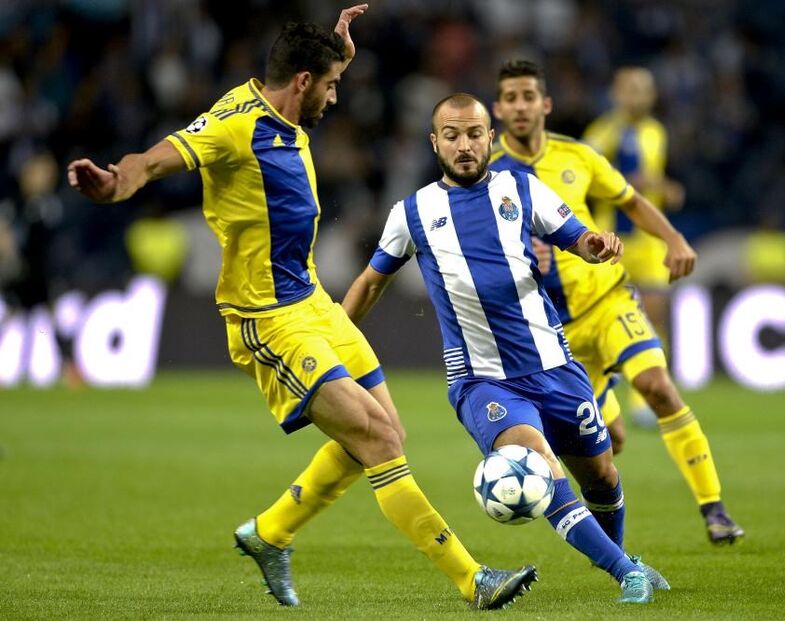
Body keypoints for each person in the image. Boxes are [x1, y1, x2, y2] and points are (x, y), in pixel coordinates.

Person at [66, 8, 538, 611]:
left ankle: (270, 532)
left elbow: (319, 74)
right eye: (332, 85)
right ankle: (474, 581)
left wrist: (339, 52)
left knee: (387, 430)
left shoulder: (282, 102)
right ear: (303, 83)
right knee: (376, 439)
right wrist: (116, 184)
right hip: (267, 317)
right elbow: (155, 159)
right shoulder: (234, 128)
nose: (337, 97)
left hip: (315, 302)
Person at [342, 92, 670, 605]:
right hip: (483, 380)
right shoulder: (413, 212)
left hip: (555, 366)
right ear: (435, 143)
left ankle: (620, 557)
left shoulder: (521, 188)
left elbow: (577, 235)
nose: (464, 145)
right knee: (539, 463)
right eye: (451, 135)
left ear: (490, 138)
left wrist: (597, 246)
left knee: (602, 474)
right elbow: (369, 282)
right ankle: (627, 573)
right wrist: (339, 335)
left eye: (474, 134)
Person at [489, 60, 744, 545]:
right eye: (510, 98)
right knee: (610, 446)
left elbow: (628, 199)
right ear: (499, 108)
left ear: (545, 104)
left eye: (528, 96)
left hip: (606, 298)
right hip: (555, 332)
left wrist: (674, 239)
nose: (520, 106)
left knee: (657, 385)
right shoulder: (488, 173)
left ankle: (715, 509)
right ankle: (614, 551)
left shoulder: (579, 156)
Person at [582, 67, 684, 428]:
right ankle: (598, 394)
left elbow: (652, 182)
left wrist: (666, 188)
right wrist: (627, 182)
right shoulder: (602, 133)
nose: (637, 96)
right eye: (630, 89)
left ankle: (645, 397)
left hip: (649, 242)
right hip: (613, 240)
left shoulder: (657, 133)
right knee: (601, 318)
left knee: (654, 312)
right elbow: (584, 181)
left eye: (643, 89)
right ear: (616, 93)